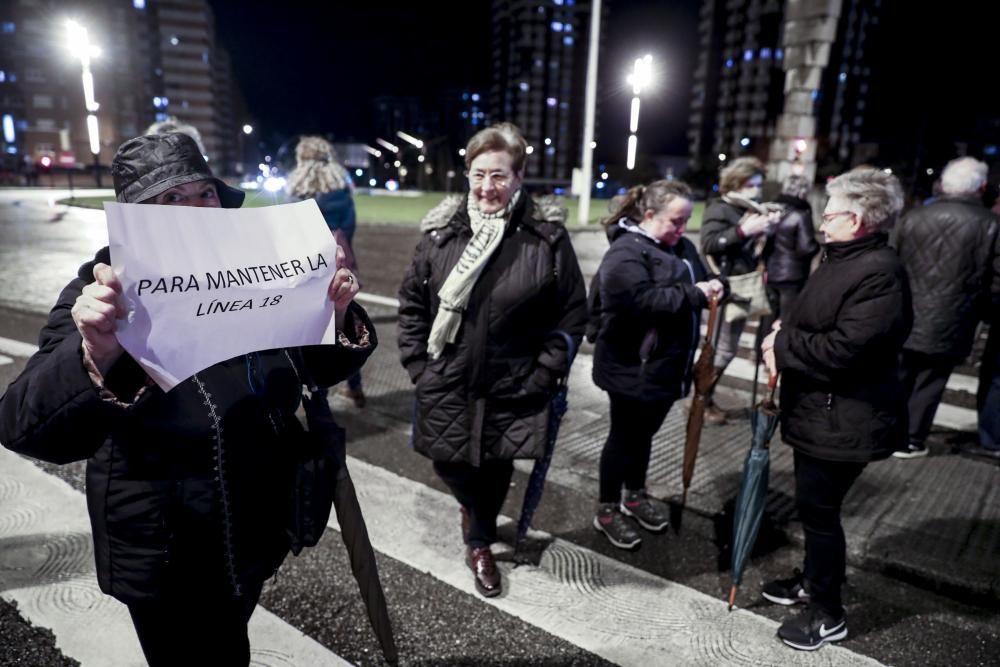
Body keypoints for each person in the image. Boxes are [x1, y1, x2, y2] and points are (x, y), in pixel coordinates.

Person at [0, 132, 375, 666]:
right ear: (135, 216)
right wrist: (95, 354)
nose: (196, 209)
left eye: (204, 193)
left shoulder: (250, 274)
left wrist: (333, 316)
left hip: (254, 530)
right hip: (165, 550)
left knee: (230, 646)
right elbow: (21, 423)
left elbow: (313, 369)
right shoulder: (99, 293)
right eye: (171, 199)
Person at [397, 122, 586, 597]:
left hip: (516, 380)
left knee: (497, 466)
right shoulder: (440, 234)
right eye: (479, 174)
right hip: (447, 376)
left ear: (519, 177)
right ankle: (474, 513)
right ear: (467, 174)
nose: (487, 187)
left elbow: (572, 311)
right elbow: (413, 304)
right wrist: (419, 367)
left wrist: (546, 369)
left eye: (499, 176)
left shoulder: (546, 239)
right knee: (449, 461)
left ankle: (479, 540)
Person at [760, 167, 912, 651]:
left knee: (820, 513)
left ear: (860, 219)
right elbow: (823, 321)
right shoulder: (842, 258)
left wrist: (785, 343)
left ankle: (828, 611)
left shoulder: (879, 273)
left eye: (831, 215)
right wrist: (791, 327)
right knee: (813, 509)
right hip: (822, 412)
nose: (821, 223)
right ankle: (812, 582)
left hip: (845, 417)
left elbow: (846, 350)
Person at [589, 180, 724, 549]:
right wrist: (696, 294)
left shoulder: (681, 246)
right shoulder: (626, 253)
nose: (681, 230)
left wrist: (717, 285)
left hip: (667, 365)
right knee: (623, 437)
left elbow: (704, 276)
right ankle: (606, 507)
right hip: (633, 366)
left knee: (644, 436)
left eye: (685, 221)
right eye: (675, 221)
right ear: (649, 215)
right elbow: (637, 302)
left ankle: (634, 494)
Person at [892, 156, 1000, 458]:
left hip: (907, 311)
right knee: (932, 378)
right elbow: (996, 280)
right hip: (954, 316)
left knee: (901, 372)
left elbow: (894, 262)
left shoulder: (913, 217)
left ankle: (889, 432)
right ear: (979, 187)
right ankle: (912, 438)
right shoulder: (991, 225)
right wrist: (987, 312)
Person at [286, 135, 367, 408]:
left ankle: (316, 395)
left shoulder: (295, 194)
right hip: (339, 271)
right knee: (343, 331)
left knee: (309, 338)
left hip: (304, 276)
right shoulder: (342, 194)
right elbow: (350, 231)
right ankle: (354, 387)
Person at [700, 157, 778, 424]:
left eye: (758, 184)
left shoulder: (750, 208)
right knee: (722, 350)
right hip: (726, 287)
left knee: (728, 349)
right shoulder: (720, 208)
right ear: (737, 183)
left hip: (742, 283)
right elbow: (709, 243)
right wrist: (744, 230)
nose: (757, 189)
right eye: (752, 184)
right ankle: (700, 401)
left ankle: (704, 398)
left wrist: (768, 229)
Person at [762, 174, 819, 322]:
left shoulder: (774, 209)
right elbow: (805, 247)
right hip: (793, 276)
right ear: (803, 191)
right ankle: (777, 345)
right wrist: (817, 246)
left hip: (772, 271)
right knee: (786, 319)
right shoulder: (802, 214)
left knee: (767, 319)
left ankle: (761, 345)